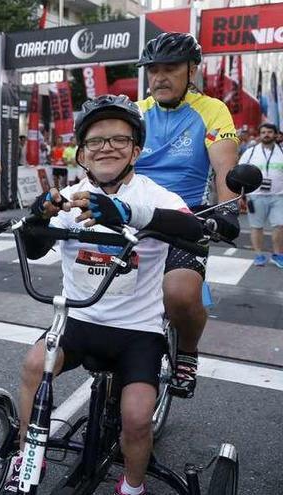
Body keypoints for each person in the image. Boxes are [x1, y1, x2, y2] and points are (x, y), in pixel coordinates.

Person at [9, 94, 204, 495]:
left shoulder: (156, 197)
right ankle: (30, 455)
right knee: (32, 366)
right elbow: (33, 250)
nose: (106, 148)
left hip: (138, 332)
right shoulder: (70, 197)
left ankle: (131, 487)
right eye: (96, 141)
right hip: (79, 322)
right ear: (81, 153)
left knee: (135, 418)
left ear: (136, 150)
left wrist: (126, 214)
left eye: (119, 140)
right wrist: (38, 216)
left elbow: (194, 231)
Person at [135, 32, 241, 398]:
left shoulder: (212, 110)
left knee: (180, 295)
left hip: (187, 215)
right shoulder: (136, 112)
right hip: (134, 214)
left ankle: (187, 352)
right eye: (153, 70)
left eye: (170, 68)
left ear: (191, 69)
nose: (159, 77)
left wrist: (227, 210)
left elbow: (225, 166)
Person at [240, 122, 283, 268]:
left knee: (280, 226)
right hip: (255, 196)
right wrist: (241, 195)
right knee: (256, 227)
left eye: (270, 132)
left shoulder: (281, 152)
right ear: (260, 134)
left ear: (276, 135)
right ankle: (258, 255)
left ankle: (278, 255)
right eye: (263, 132)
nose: (266, 135)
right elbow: (240, 173)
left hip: (279, 196)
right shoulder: (250, 152)